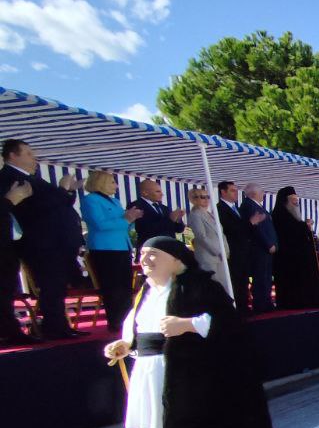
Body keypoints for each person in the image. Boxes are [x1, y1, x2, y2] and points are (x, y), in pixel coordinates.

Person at [103, 237, 273, 428]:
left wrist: (188, 324)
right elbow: (135, 330)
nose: (145, 260)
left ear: (176, 259)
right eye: (142, 254)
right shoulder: (144, 292)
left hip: (196, 371)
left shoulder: (201, 287)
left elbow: (228, 323)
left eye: (153, 254)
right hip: (154, 374)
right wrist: (124, 344)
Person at [2, 140, 86, 338]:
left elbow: (60, 202)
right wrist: (62, 191)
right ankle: (53, 328)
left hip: (55, 242)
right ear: (13, 155)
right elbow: (38, 206)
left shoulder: (33, 178)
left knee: (57, 286)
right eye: (29, 154)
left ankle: (59, 326)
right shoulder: (9, 177)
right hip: (40, 243)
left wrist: (68, 191)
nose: (34, 158)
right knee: (50, 285)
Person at [80, 170, 141, 332]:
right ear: (101, 182)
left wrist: (132, 218)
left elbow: (124, 224)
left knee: (125, 286)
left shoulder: (115, 201)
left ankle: (127, 320)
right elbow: (100, 224)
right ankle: (116, 322)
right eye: (112, 182)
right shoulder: (90, 200)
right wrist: (126, 219)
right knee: (112, 288)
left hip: (122, 246)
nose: (116, 186)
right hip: (104, 248)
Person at [271, 187, 319, 310]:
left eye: (296, 199)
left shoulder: (294, 215)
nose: (296, 202)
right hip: (288, 258)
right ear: (285, 200)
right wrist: (304, 226)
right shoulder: (279, 214)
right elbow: (289, 232)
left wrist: (306, 227)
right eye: (293, 199)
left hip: (299, 257)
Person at [0, 174, 34, 345]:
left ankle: (10, 331)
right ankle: (9, 332)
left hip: (7, 249)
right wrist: (8, 201)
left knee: (6, 293)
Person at [186, 187, 233, 297]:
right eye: (202, 197)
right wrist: (218, 251)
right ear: (194, 199)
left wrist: (225, 250)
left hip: (220, 255)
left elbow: (221, 234)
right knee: (212, 285)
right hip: (208, 256)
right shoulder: (195, 215)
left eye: (208, 197)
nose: (206, 200)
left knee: (224, 284)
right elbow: (201, 236)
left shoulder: (210, 214)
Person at [239, 183, 277, 314]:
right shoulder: (249, 205)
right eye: (262, 192)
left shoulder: (257, 205)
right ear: (254, 193)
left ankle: (266, 301)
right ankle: (260, 304)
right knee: (260, 277)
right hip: (259, 249)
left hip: (265, 249)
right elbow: (257, 229)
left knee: (266, 277)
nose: (263, 194)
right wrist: (268, 244)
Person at [215, 180, 252, 312]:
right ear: (223, 192)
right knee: (235, 281)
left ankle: (244, 307)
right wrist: (250, 223)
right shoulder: (219, 209)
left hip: (243, 251)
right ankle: (237, 309)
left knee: (243, 281)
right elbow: (230, 228)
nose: (236, 193)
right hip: (232, 251)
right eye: (232, 190)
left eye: (236, 190)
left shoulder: (237, 209)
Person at [127, 178, 184, 256]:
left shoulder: (164, 208)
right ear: (145, 193)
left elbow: (179, 229)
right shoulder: (136, 206)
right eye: (157, 191)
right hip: (150, 249)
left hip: (169, 250)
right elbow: (146, 228)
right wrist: (170, 219)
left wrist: (178, 219)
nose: (162, 194)